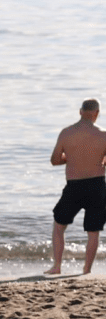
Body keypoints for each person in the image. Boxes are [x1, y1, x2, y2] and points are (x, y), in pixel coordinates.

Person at [46, 98, 106, 275]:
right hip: (97, 186)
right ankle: (86, 269)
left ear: (80, 112)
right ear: (97, 114)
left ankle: (57, 266)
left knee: (59, 226)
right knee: (93, 232)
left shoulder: (66, 133)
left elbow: (55, 160)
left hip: (74, 187)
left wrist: (71, 158)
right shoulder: (103, 135)